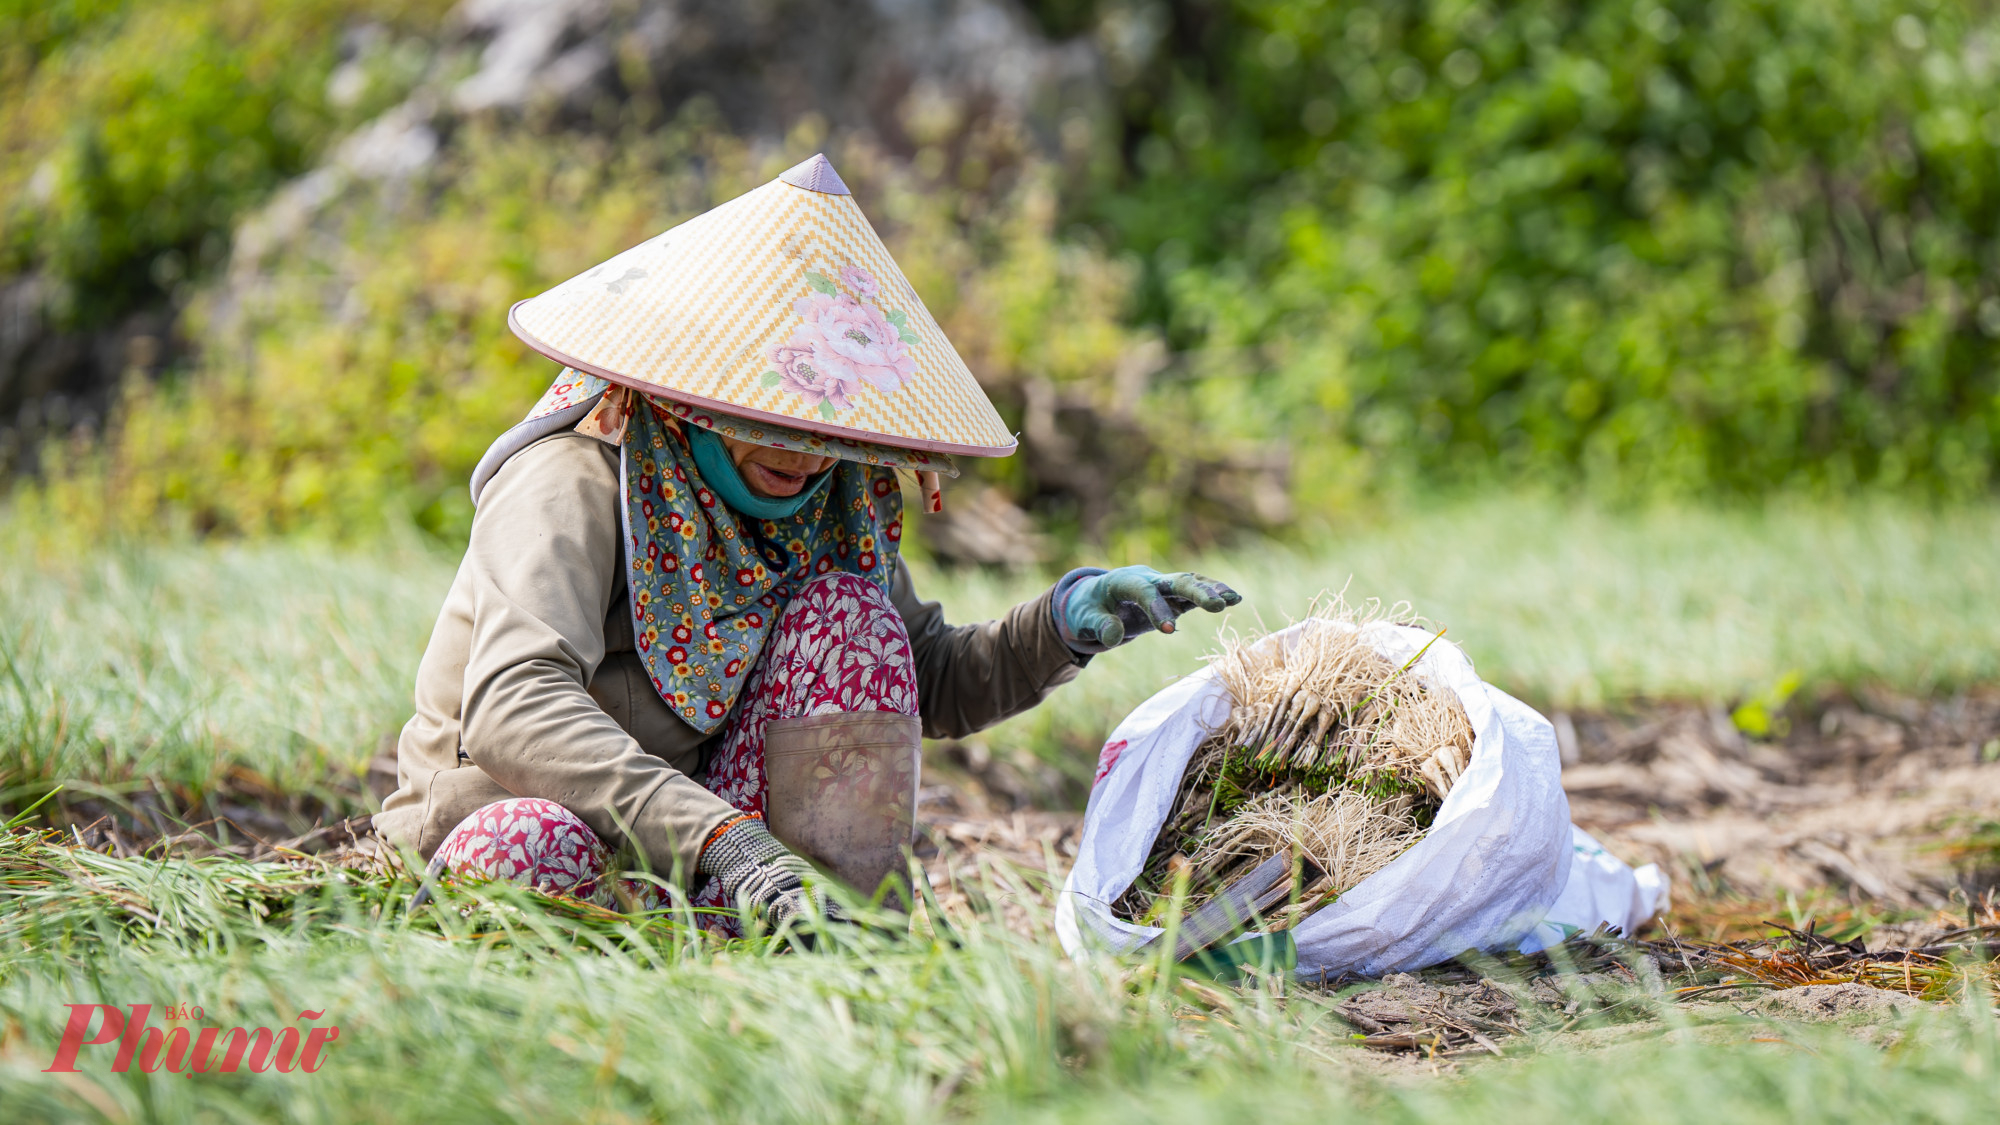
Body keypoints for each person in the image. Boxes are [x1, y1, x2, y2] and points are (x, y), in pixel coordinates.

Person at [373, 155, 1238, 932]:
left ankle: (838, 942)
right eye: (764, 419)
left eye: (823, 426)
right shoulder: (575, 476)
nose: (798, 451)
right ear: (693, 395)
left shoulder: (830, 496)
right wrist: (721, 834)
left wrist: (1059, 625)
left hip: (713, 865)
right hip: (533, 826)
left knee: (852, 620)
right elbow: (513, 703)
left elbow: (918, 675)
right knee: (525, 847)